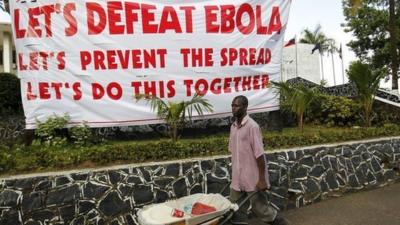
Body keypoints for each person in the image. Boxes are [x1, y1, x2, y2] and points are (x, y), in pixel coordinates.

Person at [229, 95, 288, 225]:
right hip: (237, 178)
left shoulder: (252, 127)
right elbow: (234, 152)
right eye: (232, 105)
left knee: (261, 209)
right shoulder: (233, 127)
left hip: (253, 178)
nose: (233, 108)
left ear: (245, 107)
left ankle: (281, 223)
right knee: (235, 209)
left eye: (236, 105)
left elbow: (260, 155)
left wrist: (262, 179)